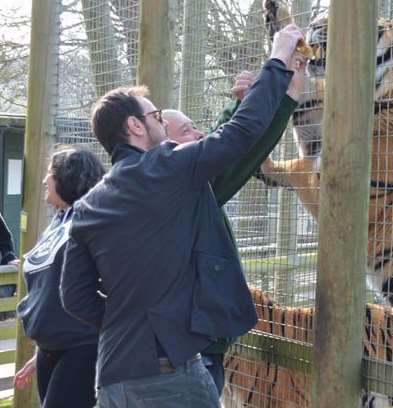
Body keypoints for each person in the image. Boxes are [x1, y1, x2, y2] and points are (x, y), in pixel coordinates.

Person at [60, 24, 305, 408]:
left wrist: (130, 318)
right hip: (168, 372)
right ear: (134, 126)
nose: (162, 122)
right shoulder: (166, 167)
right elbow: (240, 133)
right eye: (155, 115)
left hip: (111, 377)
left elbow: (74, 297)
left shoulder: (88, 206)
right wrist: (277, 58)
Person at [162, 69, 298, 397]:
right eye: (187, 130)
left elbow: (220, 141)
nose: (199, 134)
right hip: (192, 349)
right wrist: (284, 95)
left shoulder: (158, 180)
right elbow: (237, 148)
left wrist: (240, 103)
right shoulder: (184, 188)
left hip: (184, 344)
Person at [13, 148, 105, 408]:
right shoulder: (58, 221)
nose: (44, 180)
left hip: (82, 344)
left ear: (68, 177)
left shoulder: (92, 218)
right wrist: (38, 353)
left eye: (51, 173)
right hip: (49, 347)